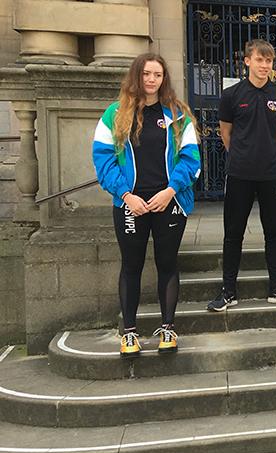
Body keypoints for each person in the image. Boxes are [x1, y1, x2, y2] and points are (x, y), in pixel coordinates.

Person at [92, 53, 200, 357]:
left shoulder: (178, 115)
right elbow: (103, 160)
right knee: (131, 266)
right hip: (131, 204)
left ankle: (168, 328)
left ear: (164, 79)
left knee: (167, 265)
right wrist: (126, 195)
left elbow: (192, 159)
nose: (152, 80)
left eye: (158, 75)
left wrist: (170, 191)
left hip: (169, 201)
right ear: (136, 76)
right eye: (147, 74)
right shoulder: (114, 115)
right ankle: (129, 333)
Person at [207, 38, 276, 312]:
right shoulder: (232, 95)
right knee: (233, 234)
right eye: (259, 59)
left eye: (269, 61)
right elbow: (226, 133)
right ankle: (228, 291)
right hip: (239, 174)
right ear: (247, 61)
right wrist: (243, 154)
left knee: (274, 233)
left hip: (272, 174)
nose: (264, 65)